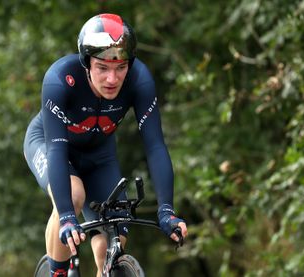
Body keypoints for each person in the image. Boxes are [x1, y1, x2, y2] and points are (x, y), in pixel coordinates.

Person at [24, 13, 188, 277]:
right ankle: (57, 272)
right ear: (86, 64)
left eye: (120, 67)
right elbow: (56, 149)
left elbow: (155, 145)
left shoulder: (140, 80)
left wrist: (167, 210)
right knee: (74, 196)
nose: (112, 79)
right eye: (103, 68)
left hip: (99, 155)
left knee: (117, 230)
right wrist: (67, 216)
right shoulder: (60, 79)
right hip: (48, 143)